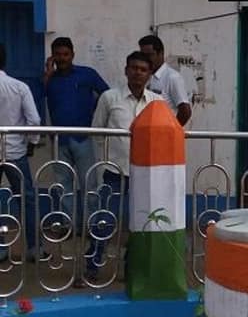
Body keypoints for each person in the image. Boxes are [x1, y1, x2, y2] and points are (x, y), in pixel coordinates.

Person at [77, 51, 161, 285]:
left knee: (140, 224)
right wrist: (106, 160)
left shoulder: (157, 102)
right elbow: (98, 131)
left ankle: (132, 269)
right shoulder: (109, 98)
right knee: (103, 221)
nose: (137, 73)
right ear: (126, 70)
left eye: (143, 69)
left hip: (144, 174)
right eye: (133, 68)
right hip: (114, 172)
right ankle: (91, 268)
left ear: (149, 75)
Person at [44, 37, 109, 230]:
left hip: (83, 137)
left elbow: (106, 96)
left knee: (89, 183)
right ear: (52, 56)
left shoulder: (87, 74)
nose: (62, 58)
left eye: (66, 54)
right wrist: (47, 76)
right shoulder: (49, 79)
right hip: (59, 140)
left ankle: (92, 226)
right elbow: (37, 101)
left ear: (72, 54)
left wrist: (94, 117)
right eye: (58, 54)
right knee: (63, 185)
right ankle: (69, 226)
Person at [0, 43, 41, 262]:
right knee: (27, 200)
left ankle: (1, 248)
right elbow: (34, 120)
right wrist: (31, 142)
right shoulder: (19, 87)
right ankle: (34, 248)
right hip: (16, 152)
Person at [138, 35, 191, 126]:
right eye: (143, 55)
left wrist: (171, 131)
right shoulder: (144, 76)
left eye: (150, 55)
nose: (146, 59)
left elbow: (185, 111)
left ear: (161, 54)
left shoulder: (172, 77)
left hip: (163, 133)